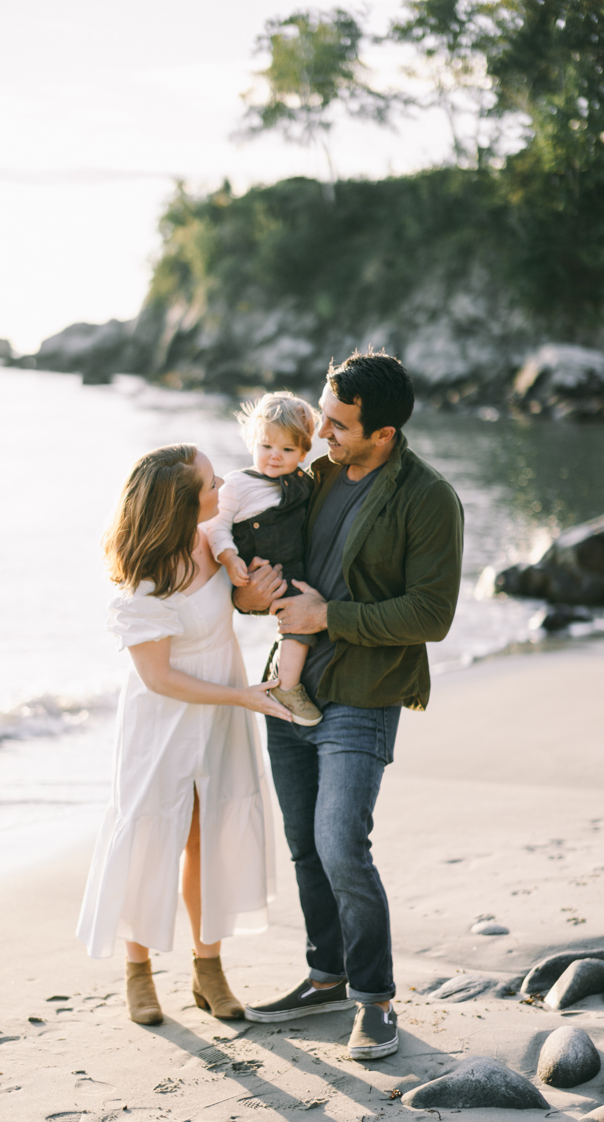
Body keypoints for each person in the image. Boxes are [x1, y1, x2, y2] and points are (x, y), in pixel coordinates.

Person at [233, 351, 464, 1060]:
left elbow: (430, 614)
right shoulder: (315, 477)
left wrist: (328, 618)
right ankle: (325, 975)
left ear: (383, 432)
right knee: (305, 845)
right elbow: (270, 567)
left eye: (337, 423)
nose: (321, 432)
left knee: (341, 845)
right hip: (289, 688)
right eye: (323, 417)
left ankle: (375, 999)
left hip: (364, 696)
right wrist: (253, 591)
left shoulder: (429, 499)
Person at [76, 443, 291, 1026]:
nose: (223, 482)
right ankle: (138, 972)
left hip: (221, 708)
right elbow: (160, 677)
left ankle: (208, 968)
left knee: (209, 833)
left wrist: (256, 592)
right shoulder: (143, 578)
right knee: (152, 834)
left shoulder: (211, 538)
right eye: (210, 480)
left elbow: (233, 602)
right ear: (181, 502)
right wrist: (243, 697)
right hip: (165, 719)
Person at [205, 392, 322, 726]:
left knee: (299, 623)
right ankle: (288, 686)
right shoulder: (238, 485)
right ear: (252, 442)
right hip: (259, 572)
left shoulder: (304, 482)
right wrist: (229, 559)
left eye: (287, 450)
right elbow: (217, 527)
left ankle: (287, 681)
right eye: (266, 447)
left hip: (295, 569)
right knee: (297, 625)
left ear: (303, 451)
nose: (274, 457)